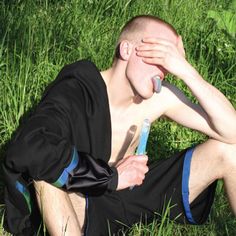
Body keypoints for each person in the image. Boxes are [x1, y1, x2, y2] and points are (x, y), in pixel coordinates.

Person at [3, 15, 236, 236]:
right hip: (81, 203)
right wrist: (110, 177)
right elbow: (30, 145)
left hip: (131, 198)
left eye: (170, 60)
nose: (164, 70)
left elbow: (232, 131)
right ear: (126, 50)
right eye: (158, 55)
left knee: (228, 151)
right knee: (44, 171)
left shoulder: (160, 99)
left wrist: (186, 71)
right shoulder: (79, 86)